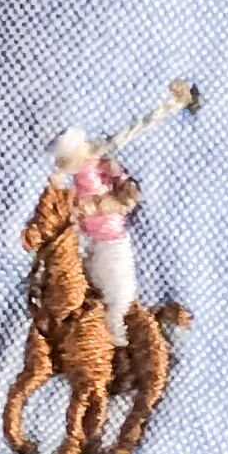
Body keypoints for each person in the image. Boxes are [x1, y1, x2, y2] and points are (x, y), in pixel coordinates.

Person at [49, 128, 140, 344]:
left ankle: (119, 337)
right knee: (88, 289)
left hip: (112, 240)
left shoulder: (103, 165)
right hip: (87, 243)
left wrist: (99, 204)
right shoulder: (72, 177)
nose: (63, 164)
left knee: (120, 293)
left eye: (66, 159)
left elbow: (128, 195)